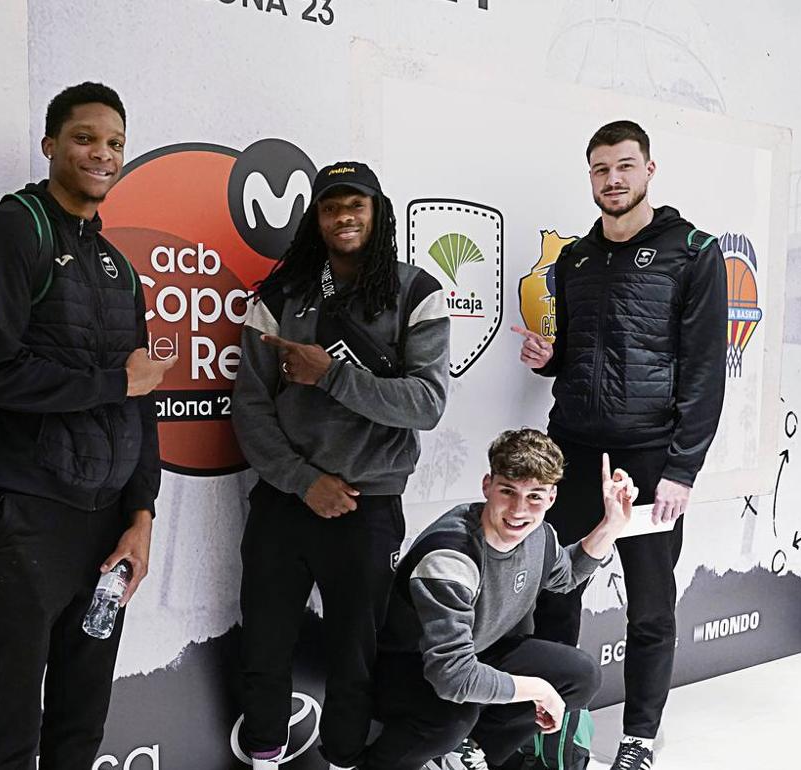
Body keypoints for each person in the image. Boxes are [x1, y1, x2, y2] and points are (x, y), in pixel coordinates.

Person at [0, 82, 171, 770]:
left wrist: (141, 514)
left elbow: (140, 400)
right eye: (84, 138)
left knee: (84, 708)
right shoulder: (14, 230)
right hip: (27, 506)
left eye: (114, 143)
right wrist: (115, 382)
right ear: (51, 145)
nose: (101, 153)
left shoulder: (118, 266)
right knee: (16, 702)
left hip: (105, 518)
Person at [512, 120, 727, 770]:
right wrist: (548, 358)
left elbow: (703, 370)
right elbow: (576, 351)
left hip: (650, 457)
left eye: (625, 166)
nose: (613, 180)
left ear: (649, 170)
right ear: (591, 176)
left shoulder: (693, 250)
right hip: (572, 450)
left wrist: (682, 467)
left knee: (651, 605)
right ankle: (554, 726)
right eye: (602, 169)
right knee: (556, 592)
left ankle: (637, 739)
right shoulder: (574, 258)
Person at [231, 161, 450, 769]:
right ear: (316, 219)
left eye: (356, 205)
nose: (344, 218)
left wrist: (330, 375)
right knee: (266, 646)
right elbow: (249, 409)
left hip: (368, 504)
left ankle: (343, 760)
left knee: (355, 657)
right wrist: (305, 483)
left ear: (378, 212)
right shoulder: (278, 296)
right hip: (285, 499)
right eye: (331, 208)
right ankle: (265, 758)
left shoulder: (416, 292)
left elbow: (425, 404)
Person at [362, 429, 637, 770]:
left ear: (552, 497)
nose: (519, 510)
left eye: (535, 496)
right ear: (487, 486)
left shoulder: (540, 535)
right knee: (454, 714)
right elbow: (451, 675)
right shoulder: (451, 555)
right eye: (508, 491)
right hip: (410, 667)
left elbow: (565, 576)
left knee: (580, 675)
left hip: (480, 651)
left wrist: (611, 525)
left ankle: (463, 755)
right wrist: (539, 689)